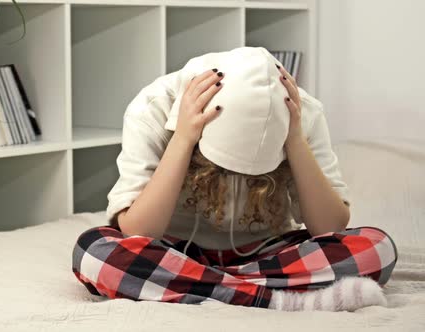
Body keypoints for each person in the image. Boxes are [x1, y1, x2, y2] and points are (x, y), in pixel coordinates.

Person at [71, 47, 398, 311]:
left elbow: (330, 228)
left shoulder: (304, 112)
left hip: (265, 255)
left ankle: (210, 290)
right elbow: (137, 231)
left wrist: (295, 141)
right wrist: (184, 138)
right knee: (94, 251)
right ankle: (279, 299)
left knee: (376, 248)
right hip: (174, 252)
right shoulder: (152, 108)